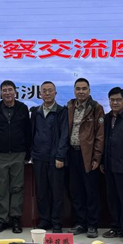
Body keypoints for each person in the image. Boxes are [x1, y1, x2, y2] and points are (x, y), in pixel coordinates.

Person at [0, 80, 31, 234]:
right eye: (4, 90)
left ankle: (15, 219)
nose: (7, 93)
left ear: (15, 92)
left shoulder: (22, 108)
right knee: (2, 188)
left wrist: (28, 152)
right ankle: (2, 219)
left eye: (10, 90)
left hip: (19, 153)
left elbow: (27, 131)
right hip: (0, 154)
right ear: (0, 93)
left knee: (17, 187)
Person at [66, 78, 105, 239]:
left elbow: (100, 134)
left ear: (89, 90)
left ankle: (92, 225)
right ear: (74, 90)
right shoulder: (70, 106)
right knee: (76, 191)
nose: (81, 91)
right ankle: (80, 223)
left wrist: (97, 157)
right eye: (78, 89)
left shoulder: (96, 108)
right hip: (72, 154)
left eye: (84, 89)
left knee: (91, 191)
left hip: (88, 155)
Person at [29, 81, 69, 233]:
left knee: (57, 192)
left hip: (55, 159)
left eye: (50, 91)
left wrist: (60, 156)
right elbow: (32, 133)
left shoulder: (61, 112)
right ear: (40, 94)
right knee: (42, 192)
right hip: (39, 157)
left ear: (55, 93)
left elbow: (64, 135)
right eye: (44, 91)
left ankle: (57, 222)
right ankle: (44, 220)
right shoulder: (36, 112)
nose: (47, 93)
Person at [100, 87, 123, 244]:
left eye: (118, 100)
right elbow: (103, 142)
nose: (115, 103)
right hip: (109, 166)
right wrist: (102, 162)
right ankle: (115, 227)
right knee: (112, 199)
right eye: (112, 100)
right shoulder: (106, 118)